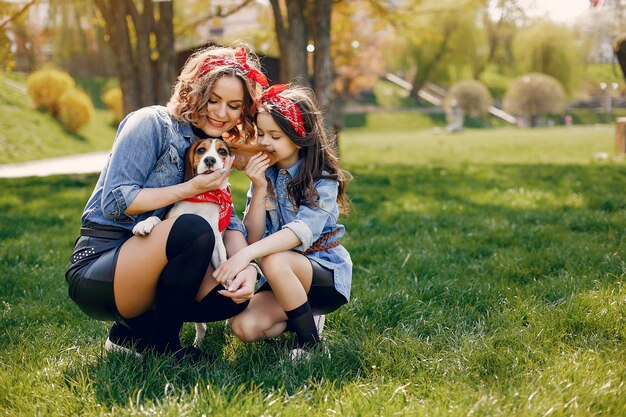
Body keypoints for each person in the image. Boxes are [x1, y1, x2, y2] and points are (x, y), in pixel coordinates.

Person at [65, 45, 268, 361]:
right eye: (212, 100)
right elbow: (116, 201)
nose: (220, 112)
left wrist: (247, 267)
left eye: (233, 105)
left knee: (231, 293)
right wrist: (190, 188)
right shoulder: (152, 122)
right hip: (103, 267)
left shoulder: (213, 152)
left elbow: (227, 222)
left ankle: (132, 335)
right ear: (193, 92)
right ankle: (164, 348)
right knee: (193, 228)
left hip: (152, 262)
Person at [213, 84, 352, 360]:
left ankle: (311, 344)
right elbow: (253, 236)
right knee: (243, 327)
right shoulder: (267, 175)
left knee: (273, 257)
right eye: (261, 134)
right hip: (280, 278)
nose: (264, 142)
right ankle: (304, 317)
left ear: (298, 137)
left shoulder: (322, 177)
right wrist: (260, 188)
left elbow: (300, 232)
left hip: (322, 275)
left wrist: (247, 256)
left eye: (275, 136)